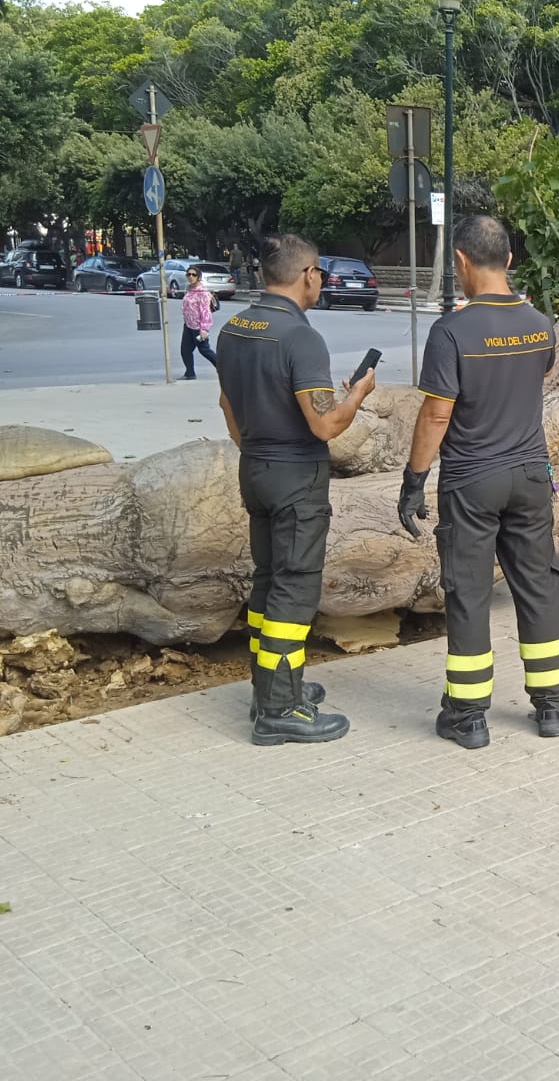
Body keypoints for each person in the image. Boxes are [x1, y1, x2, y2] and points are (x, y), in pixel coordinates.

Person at [398, 215, 559, 749]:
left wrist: (413, 479)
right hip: (531, 477)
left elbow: (436, 415)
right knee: (537, 587)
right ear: (509, 260)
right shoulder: (540, 324)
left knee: (469, 595)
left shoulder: (452, 332)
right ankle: (552, 707)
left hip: (472, 481)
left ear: (461, 261)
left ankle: (468, 717)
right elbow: (533, 378)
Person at [217, 233, 376, 746]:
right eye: (320, 273)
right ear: (308, 274)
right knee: (295, 586)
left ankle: (269, 687)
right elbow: (325, 425)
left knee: (268, 581)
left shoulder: (235, 327)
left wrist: (255, 448)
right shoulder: (300, 338)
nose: (321, 281)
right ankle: (279, 709)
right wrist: (357, 395)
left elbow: (226, 405)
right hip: (295, 478)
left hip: (256, 468)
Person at [180, 266, 220, 379]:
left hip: (198, 327)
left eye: (194, 275)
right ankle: (190, 373)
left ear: (199, 277)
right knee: (185, 350)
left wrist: (204, 329)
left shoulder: (202, 291)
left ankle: (223, 368)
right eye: (188, 274)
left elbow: (205, 312)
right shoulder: (189, 289)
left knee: (204, 350)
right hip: (188, 325)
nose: (191, 277)